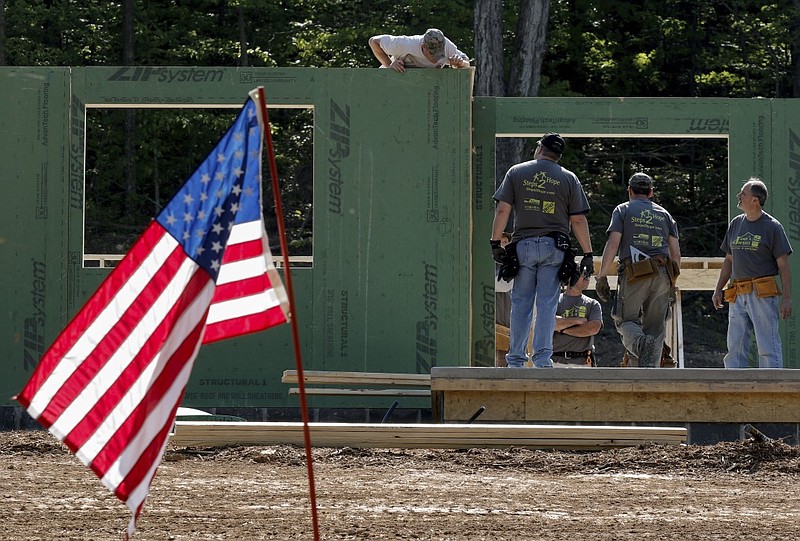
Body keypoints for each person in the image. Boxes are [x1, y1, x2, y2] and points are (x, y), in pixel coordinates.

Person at [491, 133, 593, 368]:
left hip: (524, 246)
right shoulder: (569, 178)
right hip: (554, 248)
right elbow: (578, 220)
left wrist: (495, 242)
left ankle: (516, 360)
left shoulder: (517, 172)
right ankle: (543, 360)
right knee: (547, 304)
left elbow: (503, 210)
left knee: (521, 303)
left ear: (539, 149)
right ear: (558, 155)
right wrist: (587, 253)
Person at [595, 173, 681, 368]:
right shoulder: (665, 215)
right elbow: (676, 255)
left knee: (624, 320)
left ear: (630, 191)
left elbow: (613, 243)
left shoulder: (623, 209)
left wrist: (602, 277)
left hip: (635, 273)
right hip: (663, 273)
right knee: (656, 328)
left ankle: (641, 345)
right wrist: (672, 285)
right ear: (651, 193)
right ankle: (651, 375)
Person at [711, 178, 793, 368]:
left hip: (762, 293)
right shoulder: (736, 223)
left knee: (767, 345)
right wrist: (718, 289)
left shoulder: (772, 226)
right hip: (737, 292)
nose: (739, 197)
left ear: (755, 200)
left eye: (743, 194)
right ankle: (735, 386)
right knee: (735, 346)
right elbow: (729, 260)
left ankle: (772, 389)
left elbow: (783, 265)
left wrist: (787, 298)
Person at [553, 273, 603, 367]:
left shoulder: (593, 304)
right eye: (582, 274)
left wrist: (563, 329)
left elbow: (592, 328)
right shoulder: (553, 301)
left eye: (588, 274)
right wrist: (576, 321)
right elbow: (548, 324)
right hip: (555, 362)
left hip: (583, 363)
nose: (587, 277)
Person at [368, 29, 470, 72]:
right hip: (390, 81)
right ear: (424, 47)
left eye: (440, 54)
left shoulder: (447, 45)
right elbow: (373, 42)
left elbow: (467, 62)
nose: (437, 58)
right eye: (433, 54)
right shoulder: (403, 44)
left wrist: (460, 63)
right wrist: (389, 64)